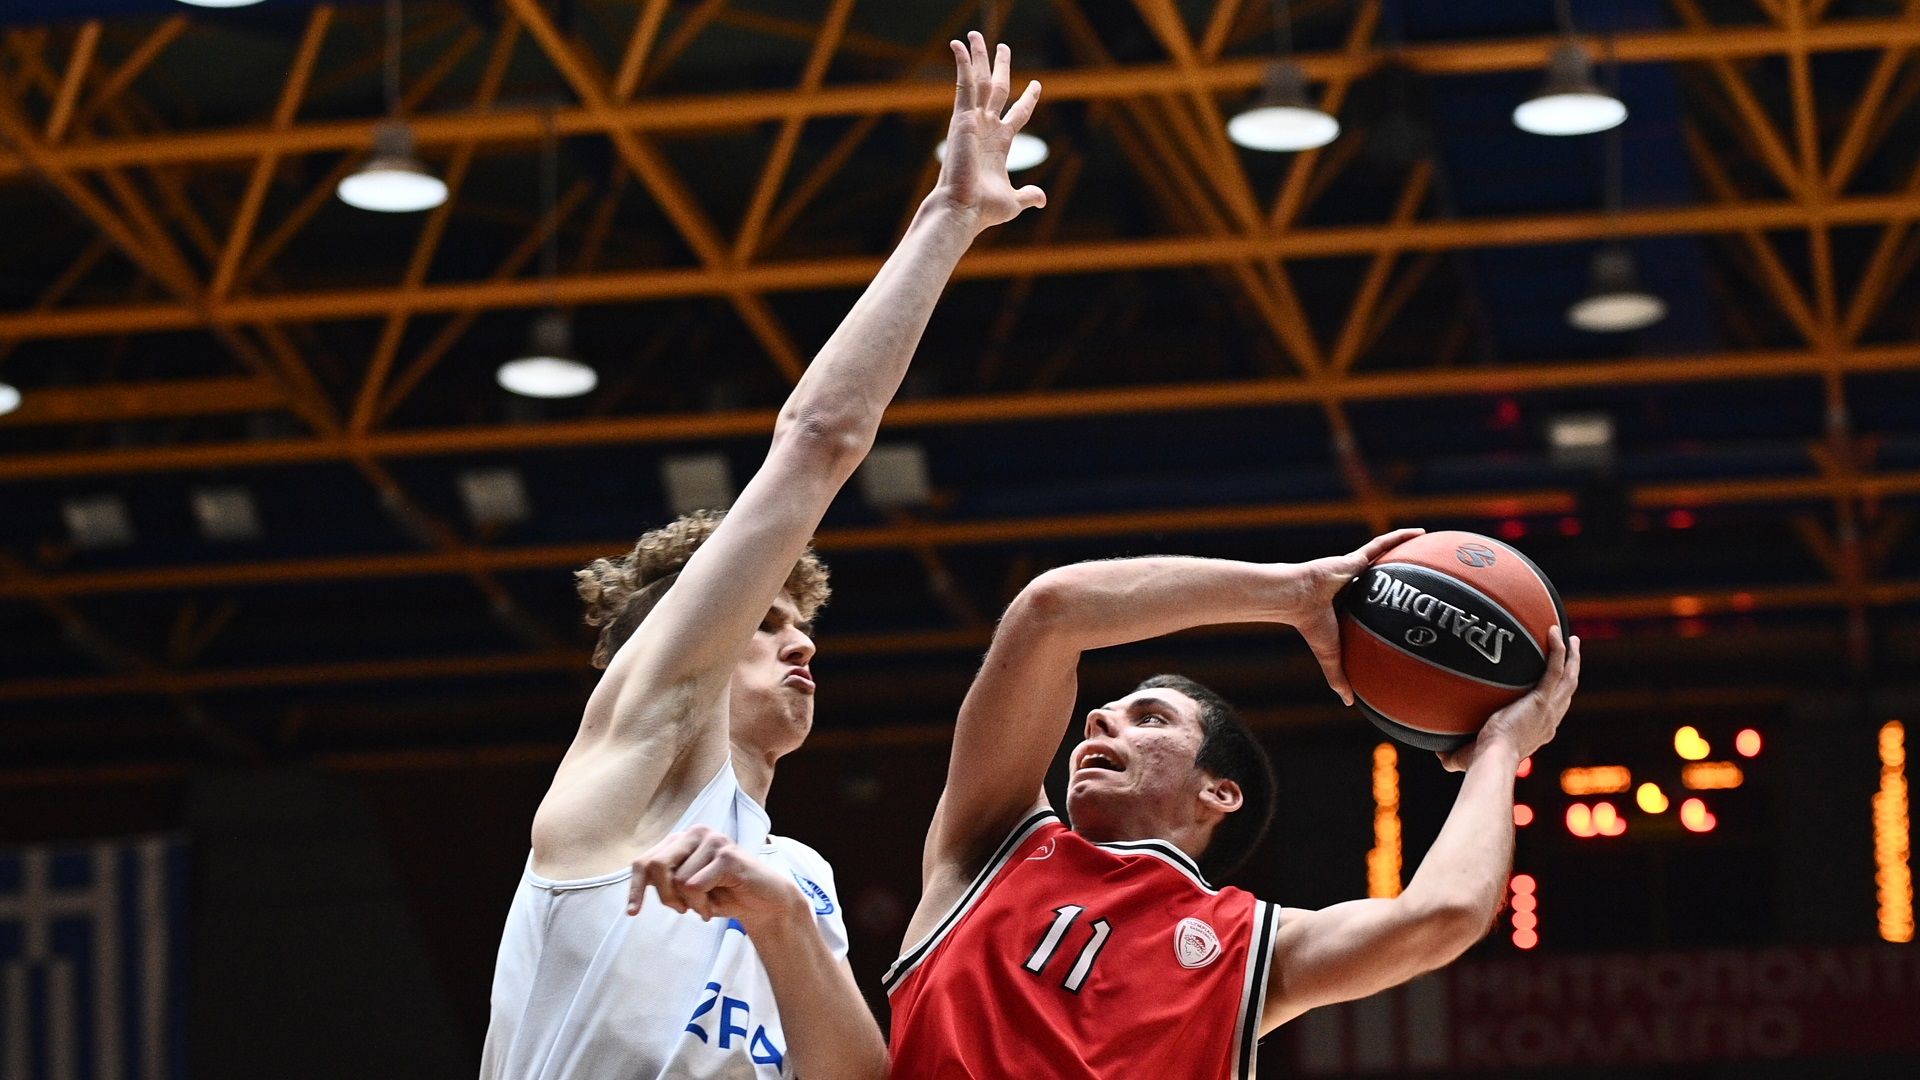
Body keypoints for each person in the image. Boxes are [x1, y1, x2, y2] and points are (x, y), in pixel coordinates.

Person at [480, 33, 1046, 1080]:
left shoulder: (798, 874)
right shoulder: (626, 776)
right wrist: (949, 217)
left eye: (802, 626)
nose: (801, 647)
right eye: (767, 623)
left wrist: (782, 920)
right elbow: (820, 439)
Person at [885, 532, 1582, 1078]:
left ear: (1219, 792)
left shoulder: (1250, 949)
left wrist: (1500, 749)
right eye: (1106, 714)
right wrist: (1296, 592)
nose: (1098, 720)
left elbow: (1445, 914)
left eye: (1149, 718)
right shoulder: (989, 845)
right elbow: (1050, 611)